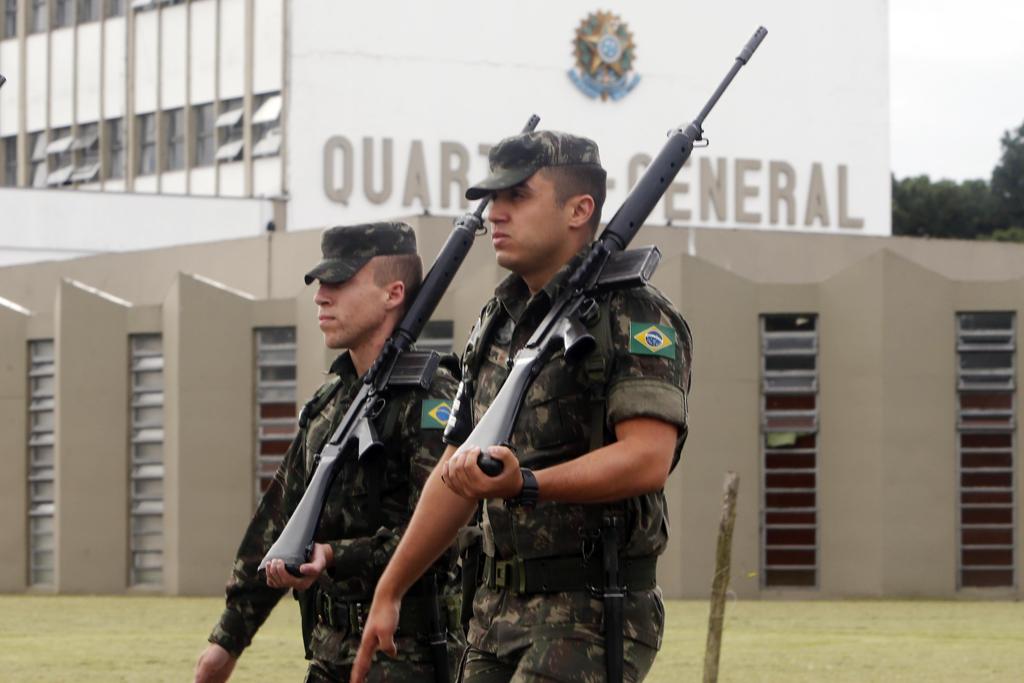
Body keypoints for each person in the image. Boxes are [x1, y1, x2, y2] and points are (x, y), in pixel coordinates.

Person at [351, 132, 693, 683]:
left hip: (589, 611)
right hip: (493, 613)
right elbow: (455, 470)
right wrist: (391, 588)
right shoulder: (498, 321)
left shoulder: (633, 314)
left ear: (579, 210)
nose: (495, 214)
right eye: (493, 199)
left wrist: (527, 485)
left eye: (517, 197)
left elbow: (647, 459)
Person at [194, 222, 465, 683]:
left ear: (393, 293)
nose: (321, 297)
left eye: (339, 283)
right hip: (328, 657)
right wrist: (227, 640)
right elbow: (276, 520)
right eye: (320, 284)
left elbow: (444, 533)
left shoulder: (432, 400)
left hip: (411, 659)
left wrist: (336, 555)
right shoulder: (330, 404)